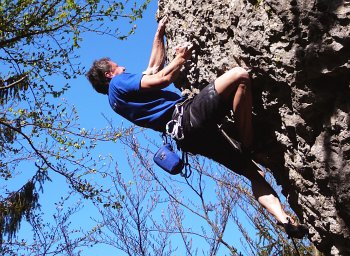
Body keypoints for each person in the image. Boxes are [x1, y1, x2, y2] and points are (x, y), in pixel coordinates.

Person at [86, 17, 307, 239]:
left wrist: (158, 35)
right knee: (239, 76)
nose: (123, 67)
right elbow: (162, 78)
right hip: (188, 116)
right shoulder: (118, 82)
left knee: (254, 175)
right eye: (118, 66)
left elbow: (152, 68)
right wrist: (180, 58)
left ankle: (284, 220)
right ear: (109, 74)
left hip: (187, 138)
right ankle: (247, 140)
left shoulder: (116, 101)